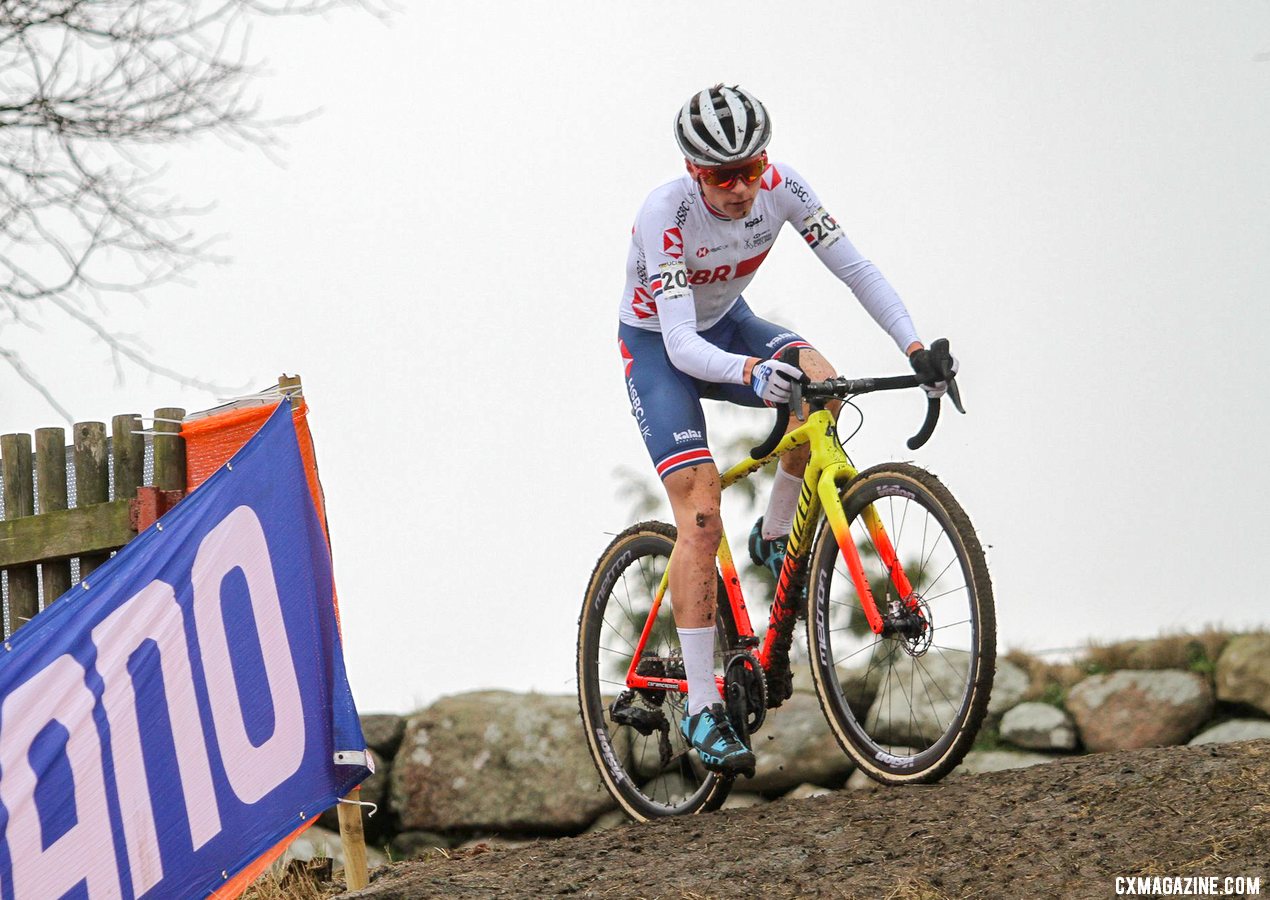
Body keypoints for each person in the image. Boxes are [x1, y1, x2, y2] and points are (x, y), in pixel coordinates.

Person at [616, 84, 956, 774]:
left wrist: (915, 349)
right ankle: (707, 706)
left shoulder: (784, 188)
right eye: (723, 177)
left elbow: (855, 270)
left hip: (730, 325)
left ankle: (775, 536)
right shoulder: (666, 215)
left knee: (822, 388)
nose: (743, 189)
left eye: (752, 169)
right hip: (661, 348)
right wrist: (749, 376)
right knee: (701, 516)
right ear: (694, 172)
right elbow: (681, 343)